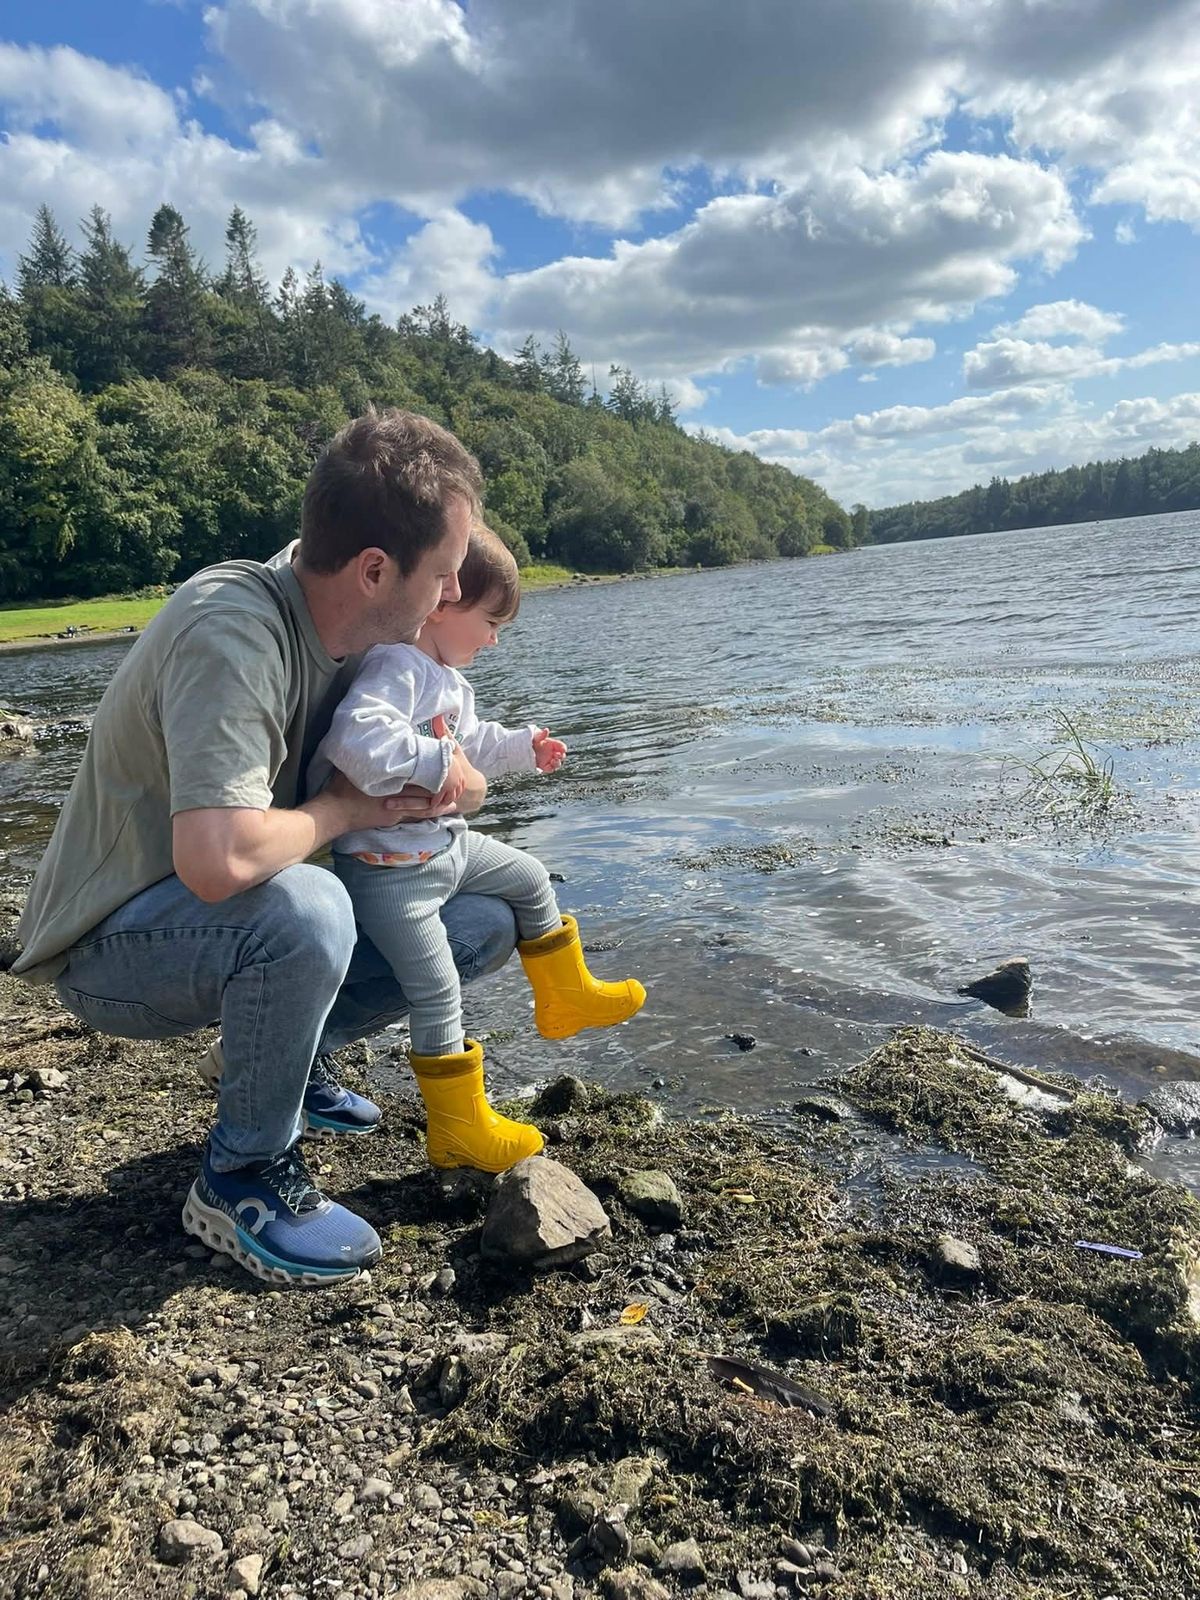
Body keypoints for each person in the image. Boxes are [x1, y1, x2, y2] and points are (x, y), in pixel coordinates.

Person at [12, 409, 521, 1288]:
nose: (451, 594)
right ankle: (242, 1174)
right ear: (374, 570)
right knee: (307, 907)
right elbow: (222, 862)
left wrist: (459, 780)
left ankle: (285, 1062)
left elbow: (451, 768)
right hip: (110, 946)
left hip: (219, 918)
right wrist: (341, 809)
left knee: (482, 916)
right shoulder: (234, 630)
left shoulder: (359, 627)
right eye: (443, 575)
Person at [312, 525, 645, 1173]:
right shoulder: (395, 665)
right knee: (437, 989)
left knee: (529, 877)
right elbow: (355, 741)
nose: (494, 640)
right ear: (443, 603)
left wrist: (522, 748)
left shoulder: (446, 679)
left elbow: (473, 743)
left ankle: (565, 996)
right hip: (392, 872)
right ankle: (457, 1128)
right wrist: (441, 764)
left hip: (445, 848)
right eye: (490, 622)